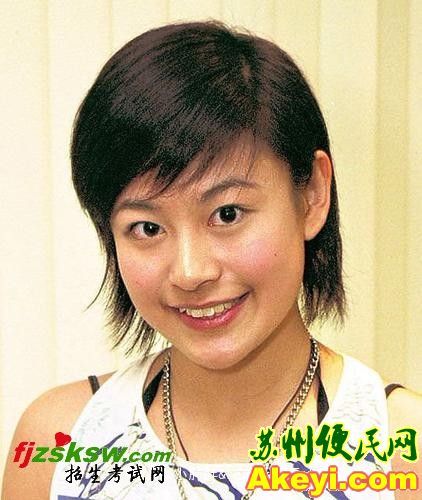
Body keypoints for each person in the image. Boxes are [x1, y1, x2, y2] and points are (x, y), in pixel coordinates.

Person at [2, 20, 421, 500]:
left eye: (227, 214)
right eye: (148, 228)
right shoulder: (59, 444)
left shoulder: (400, 449)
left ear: (312, 194)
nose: (190, 272)